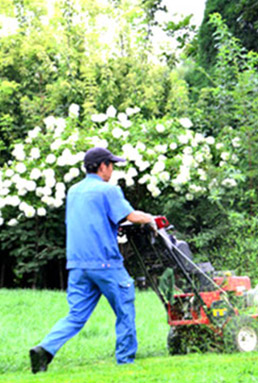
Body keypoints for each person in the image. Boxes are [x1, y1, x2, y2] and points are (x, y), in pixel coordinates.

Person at [29, 147, 156, 374]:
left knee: (76, 315)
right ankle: (125, 361)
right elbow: (133, 217)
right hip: (106, 263)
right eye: (112, 165)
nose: (113, 170)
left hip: (77, 265)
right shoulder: (108, 191)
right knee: (124, 307)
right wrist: (152, 219)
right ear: (102, 166)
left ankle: (44, 350)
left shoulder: (74, 191)